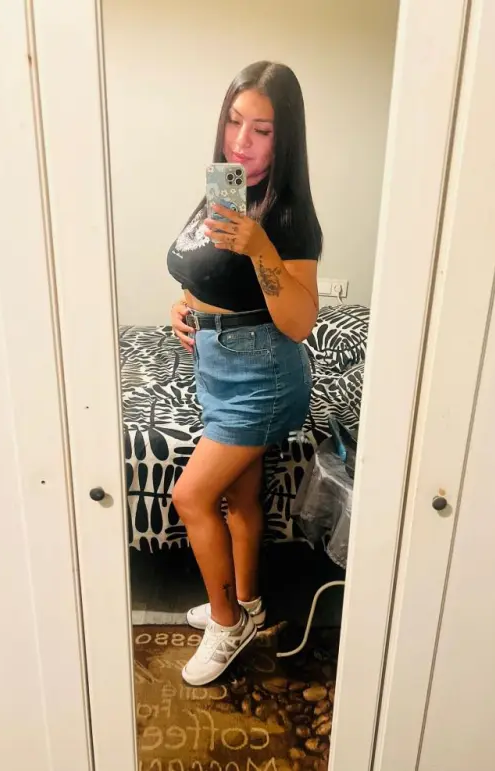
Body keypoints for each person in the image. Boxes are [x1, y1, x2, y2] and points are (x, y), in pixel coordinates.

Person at [167, 61, 322, 686]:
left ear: (285, 139)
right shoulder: (222, 189)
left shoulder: (289, 216)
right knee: (239, 498)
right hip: (216, 362)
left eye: (262, 130)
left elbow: (300, 322)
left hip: (261, 375)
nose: (241, 142)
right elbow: (202, 271)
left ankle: (228, 624)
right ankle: (249, 603)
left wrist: (260, 248)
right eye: (235, 122)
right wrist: (183, 307)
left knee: (190, 497)